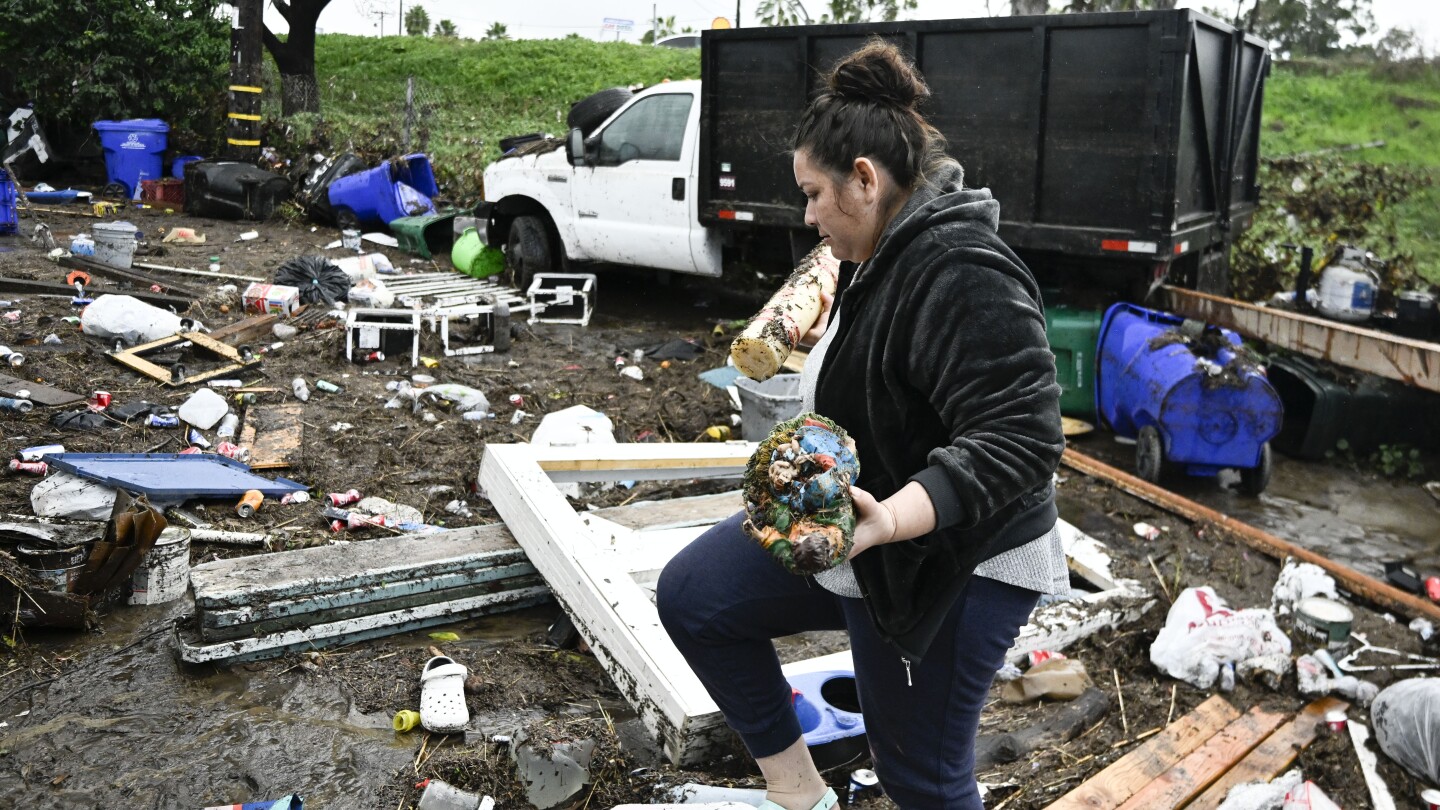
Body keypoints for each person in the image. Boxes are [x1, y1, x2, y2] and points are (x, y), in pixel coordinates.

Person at [656, 39, 1066, 810]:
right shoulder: (880, 246)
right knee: (696, 596)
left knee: (924, 781)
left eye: (814, 194)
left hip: (953, 560)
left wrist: (893, 519)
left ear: (866, 180)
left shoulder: (961, 268)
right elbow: (893, 368)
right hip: (865, 531)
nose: (809, 215)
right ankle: (799, 795)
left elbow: (1024, 439)